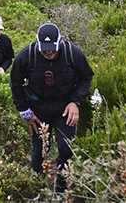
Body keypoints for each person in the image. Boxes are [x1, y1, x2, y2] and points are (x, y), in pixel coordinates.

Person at [10, 23, 94, 193]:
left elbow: (87, 77)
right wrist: (24, 110)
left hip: (65, 108)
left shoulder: (72, 54)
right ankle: (37, 189)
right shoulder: (27, 55)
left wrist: (75, 102)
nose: (49, 52)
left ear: (59, 42)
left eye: (52, 48)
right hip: (38, 110)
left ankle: (61, 191)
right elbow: (15, 81)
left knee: (66, 149)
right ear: (38, 44)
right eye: (45, 49)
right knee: (39, 153)